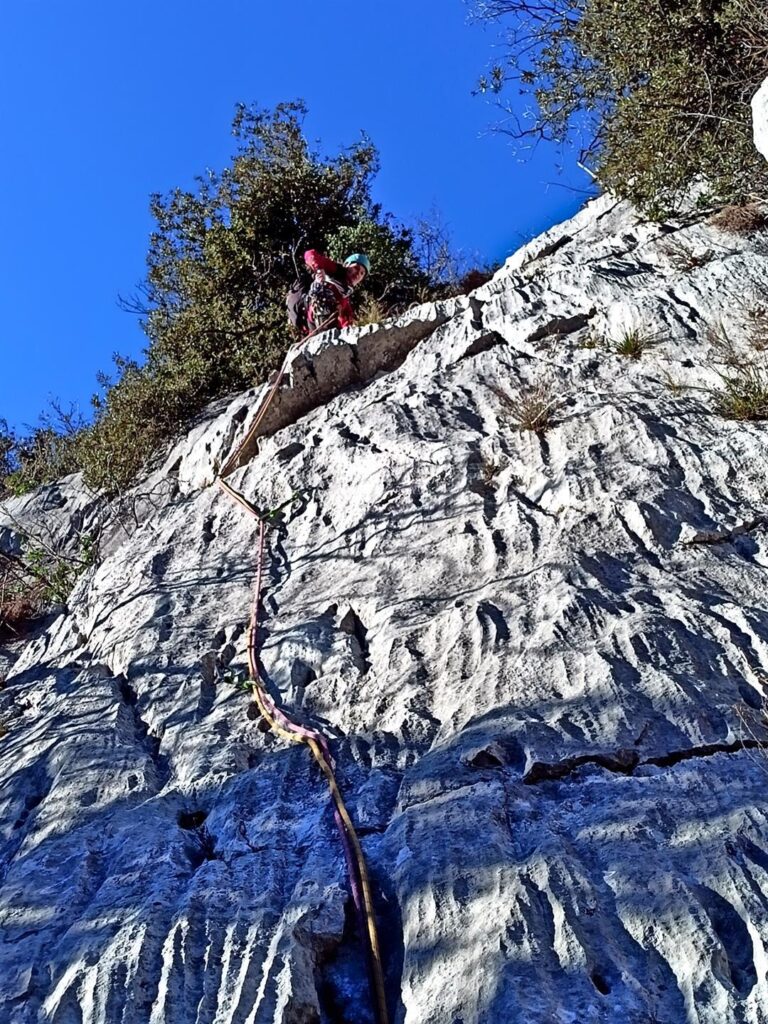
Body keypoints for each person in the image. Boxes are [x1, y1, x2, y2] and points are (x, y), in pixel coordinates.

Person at [286, 251, 371, 336]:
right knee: (325, 297)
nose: (358, 274)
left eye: (362, 273)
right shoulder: (335, 270)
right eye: (356, 268)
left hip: (312, 328)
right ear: (347, 265)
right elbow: (310, 254)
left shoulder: (345, 296)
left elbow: (346, 321)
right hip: (310, 310)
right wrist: (319, 269)